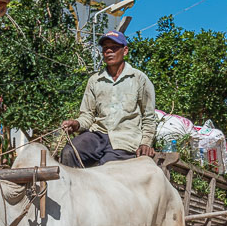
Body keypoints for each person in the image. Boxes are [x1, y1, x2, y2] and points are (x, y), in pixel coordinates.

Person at [60, 30, 157, 167]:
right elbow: (87, 116)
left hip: (125, 139)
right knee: (69, 152)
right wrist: (76, 124)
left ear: (125, 51)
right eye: (105, 48)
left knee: (107, 167)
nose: (109, 51)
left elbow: (148, 117)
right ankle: (69, 188)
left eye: (114, 47)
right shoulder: (95, 80)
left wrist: (145, 143)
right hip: (97, 135)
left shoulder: (139, 79)